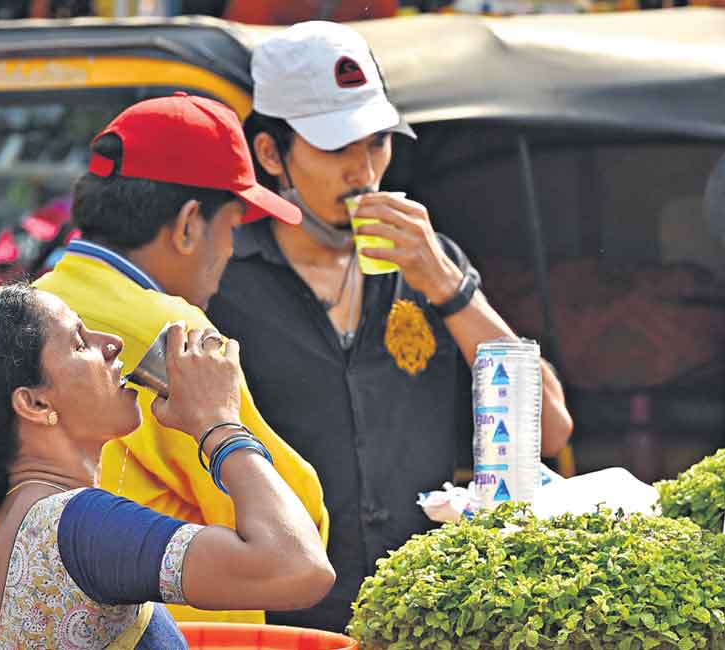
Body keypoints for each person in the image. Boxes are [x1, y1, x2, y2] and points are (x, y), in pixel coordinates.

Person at [205, 21, 574, 632]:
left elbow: (551, 428)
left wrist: (450, 290)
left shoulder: (434, 264)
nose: (364, 171)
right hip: (285, 622)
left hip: (427, 620)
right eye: (336, 147)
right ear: (271, 155)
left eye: (378, 143)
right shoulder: (223, 280)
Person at [30, 94, 330, 625]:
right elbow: (295, 529)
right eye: (233, 226)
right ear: (190, 223)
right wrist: (222, 428)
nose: (233, 249)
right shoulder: (173, 334)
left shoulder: (29, 308)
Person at [0, 284, 335, 648]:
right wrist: (219, 425)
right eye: (80, 342)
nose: (112, 342)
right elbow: (299, 568)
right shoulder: (77, 525)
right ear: (35, 403)